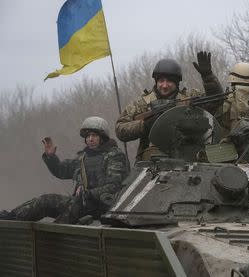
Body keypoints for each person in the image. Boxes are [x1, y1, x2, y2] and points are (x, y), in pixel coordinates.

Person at [0, 116, 128, 224]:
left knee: (65, 217)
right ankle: (10, 218)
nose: (90, 139)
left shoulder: (114, 155)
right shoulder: (83, 157)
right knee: (45, 201)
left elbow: (113, 186)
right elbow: (61, 170)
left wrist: (88, 194)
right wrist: (51, 157)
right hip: (80, 204)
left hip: (102, 207)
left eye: (94, 135)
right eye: (88, 136)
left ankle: (50, 241)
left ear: (102, 137)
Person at [115, 52, 223, 162]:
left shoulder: (190, 98)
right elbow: (120, 129)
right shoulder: (142, 103)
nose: (165, 85)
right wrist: (145, 125)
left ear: (177, 83)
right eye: (161, 81)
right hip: (152, 162)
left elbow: (216, 100)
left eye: (170, 81)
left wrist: (208, 77)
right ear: (156, 82)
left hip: (188, 159)